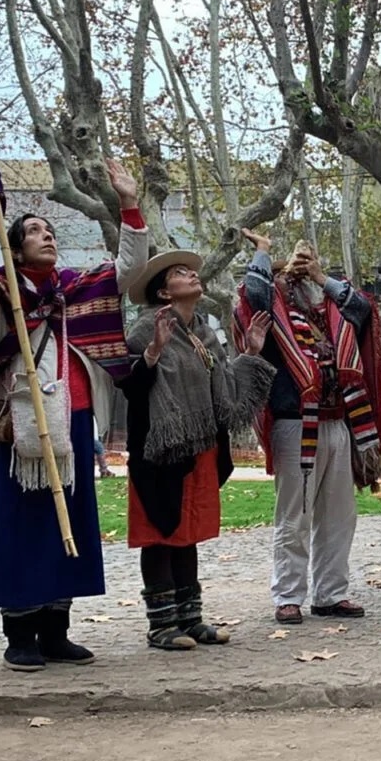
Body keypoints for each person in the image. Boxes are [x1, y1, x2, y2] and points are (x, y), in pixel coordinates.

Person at [0, 160, 148, 671]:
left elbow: (129, 271)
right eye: (34, 231)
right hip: (23, 430)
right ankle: (19, 634)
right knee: (23, 529)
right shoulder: (1, 291)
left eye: (49, 230)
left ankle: (56, 629)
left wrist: (129, 203)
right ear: (15, 247)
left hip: (74, 421)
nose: (47, 236)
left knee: (71, 528)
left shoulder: (77, 288)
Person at [120, 252, 276, 649]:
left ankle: (190, 620)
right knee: (160, 531)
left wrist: (252, 354)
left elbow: (224, 394)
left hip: (201, 446)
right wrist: (153, 354)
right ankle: (161, 626)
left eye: (191, 270)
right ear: (162, 291)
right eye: (179, 273)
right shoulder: (144, 329)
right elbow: (131, 386)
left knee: (187, 533)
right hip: (160, 450)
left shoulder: (204, 335)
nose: (192, 274)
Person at [237, 230, 381, 625]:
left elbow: (363, 308)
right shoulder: (274, 318)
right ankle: (288, 595)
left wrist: (321, 276)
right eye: (290, 276)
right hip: (295, 424)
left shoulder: (335, 316)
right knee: (294, 515)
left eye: (303, 277)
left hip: (340, 421)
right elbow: (254, 293)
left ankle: (330, 594)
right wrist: (265, 252)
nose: (297, 280)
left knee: (340, 515)